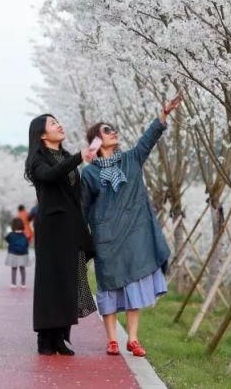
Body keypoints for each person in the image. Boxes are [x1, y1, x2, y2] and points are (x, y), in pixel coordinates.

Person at [81, 93, 182, 356]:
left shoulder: (131, 159)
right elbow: (83, 207)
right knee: (109, 286)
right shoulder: (89, 173)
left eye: (114, 130)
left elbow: (149, 138)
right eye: (107, 131)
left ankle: (133, 339)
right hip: (107, 238)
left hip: (134, 236)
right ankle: (112, 339)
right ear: (96, 139)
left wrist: (163, 114)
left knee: (134, 283)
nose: (113, 133)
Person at [24, 114, 97, 356]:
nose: (59, 125)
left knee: (69, 279)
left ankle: (61, 337)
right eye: (53, 123)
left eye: (58, 121)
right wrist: (79, 157)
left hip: (71, 226)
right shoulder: (37, 159)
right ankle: (45, 338)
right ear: (42, 134)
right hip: (52, 229)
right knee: (51, 281)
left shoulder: (65, 157)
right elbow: (49, 175)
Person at [5, 217, 30, 288]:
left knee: (14, 269)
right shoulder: (24, 235)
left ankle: (13, 284)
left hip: (13, 253)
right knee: (22, 269)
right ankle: (23, 284)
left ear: (13, 225)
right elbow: (27, 244)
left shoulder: (10, 234)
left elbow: (6, 239)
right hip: (23, 254)